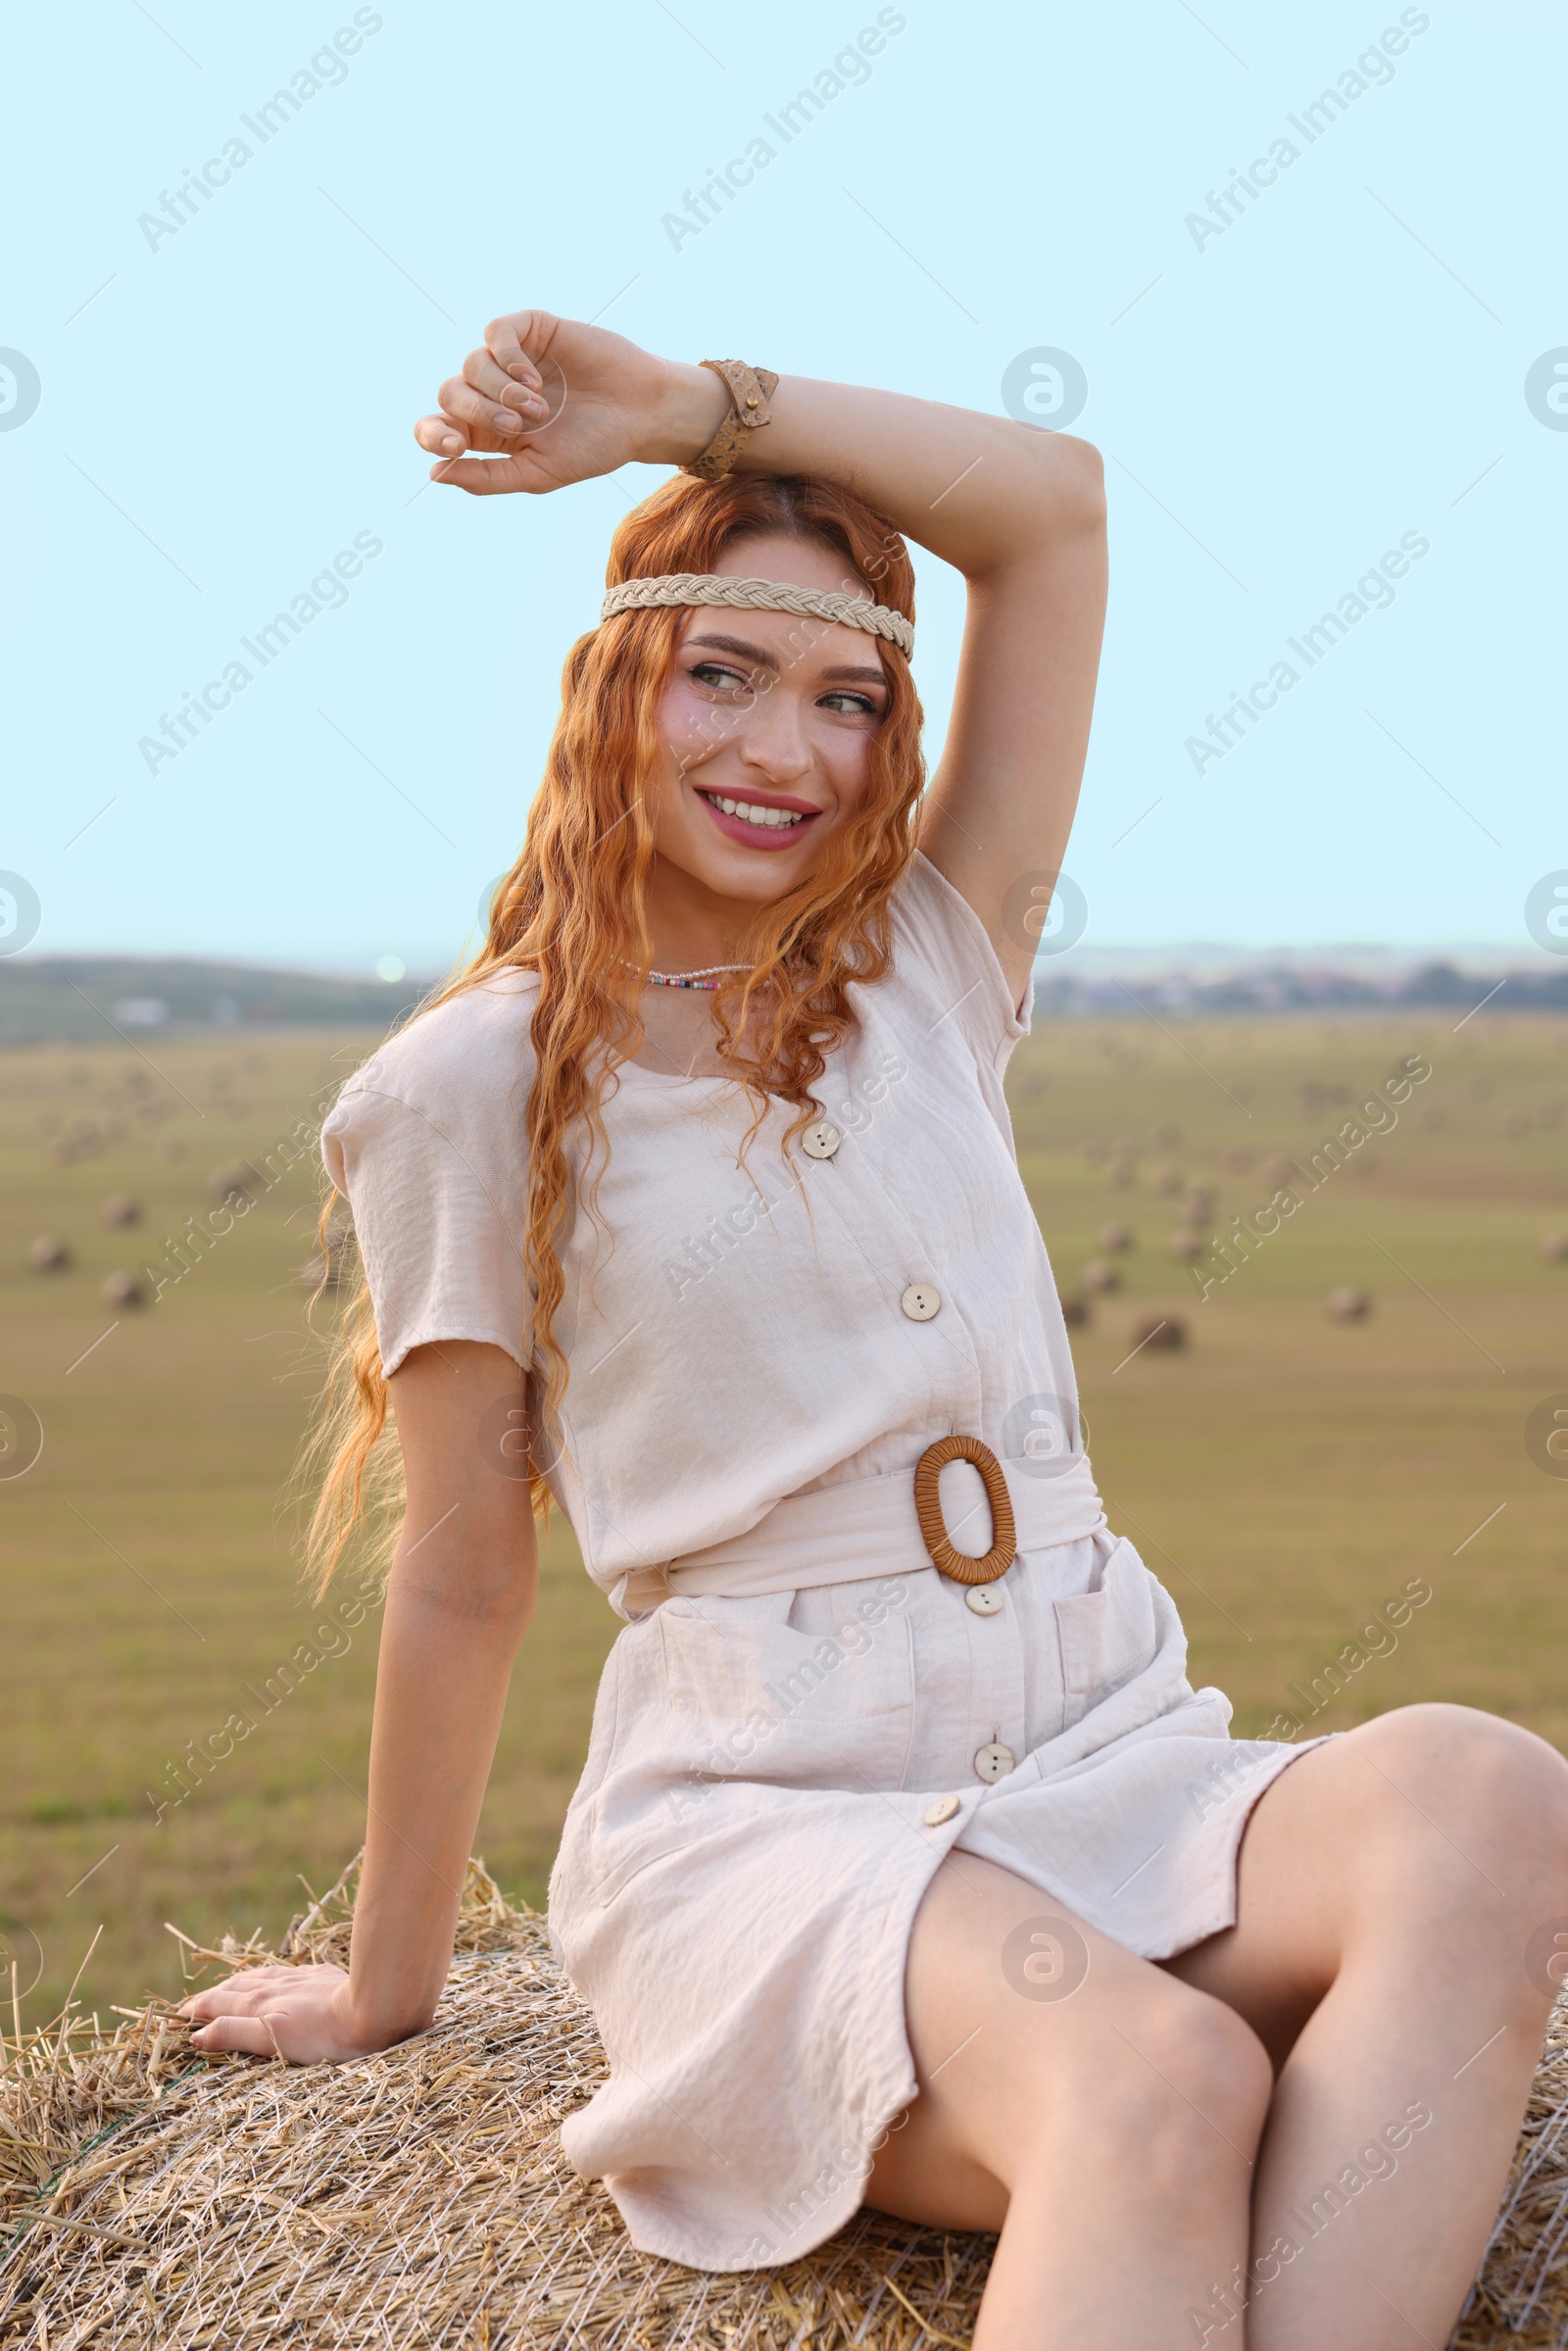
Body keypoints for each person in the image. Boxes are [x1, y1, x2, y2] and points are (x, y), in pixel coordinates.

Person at [181, 314, 1568, 2349]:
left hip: (1107, 1756)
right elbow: (465, 1569)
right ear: (613, 689)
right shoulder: (461, 1089)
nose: (786, 751)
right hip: (780, 1830)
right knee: (1154, 2082)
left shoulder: (928, 961)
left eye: (848, 696)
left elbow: (1052, 512)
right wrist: (387, 1991)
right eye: (721, 674)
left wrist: (676, 409)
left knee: (1487, 1788)